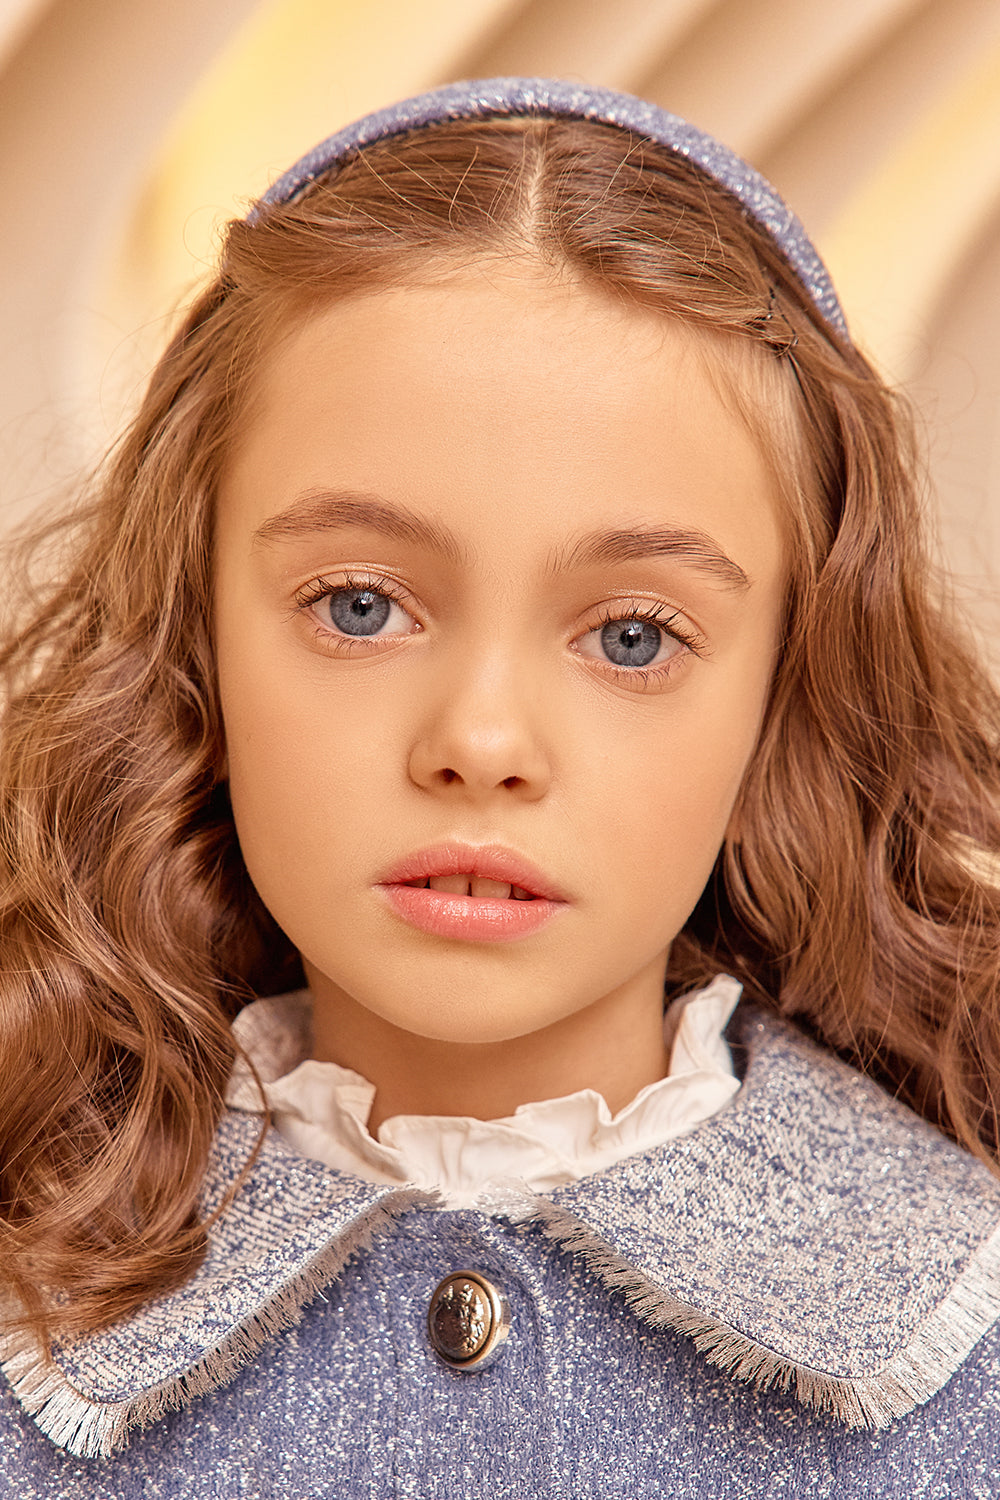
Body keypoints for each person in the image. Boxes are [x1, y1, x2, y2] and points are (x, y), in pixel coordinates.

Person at [1, 76, 1000, 1498]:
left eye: (633, 637)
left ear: (787, 692)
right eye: (359, 607)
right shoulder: (30, 1327)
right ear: (194, 641)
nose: (481, 740)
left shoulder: (966, 1354)